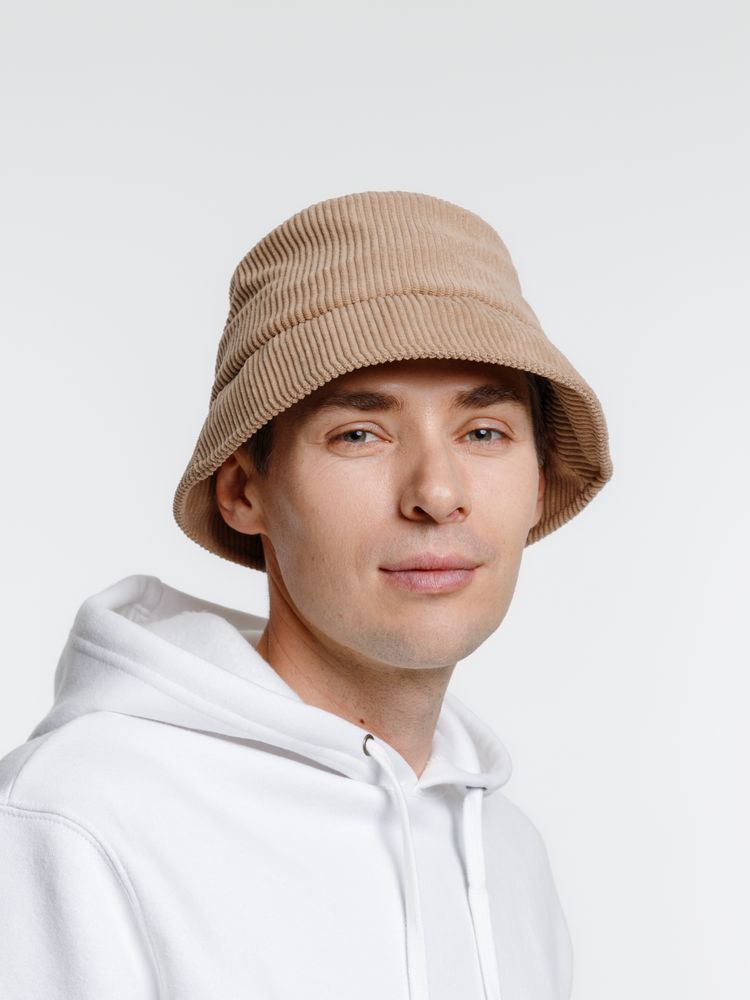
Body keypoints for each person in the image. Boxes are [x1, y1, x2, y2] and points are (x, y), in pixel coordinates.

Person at [0, 190, 612, 1000]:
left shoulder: (509, 855)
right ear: (243, 491)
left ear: (537, 482)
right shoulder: (77, 818)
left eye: (483, 432)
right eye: (358, 434)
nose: (437, 493)